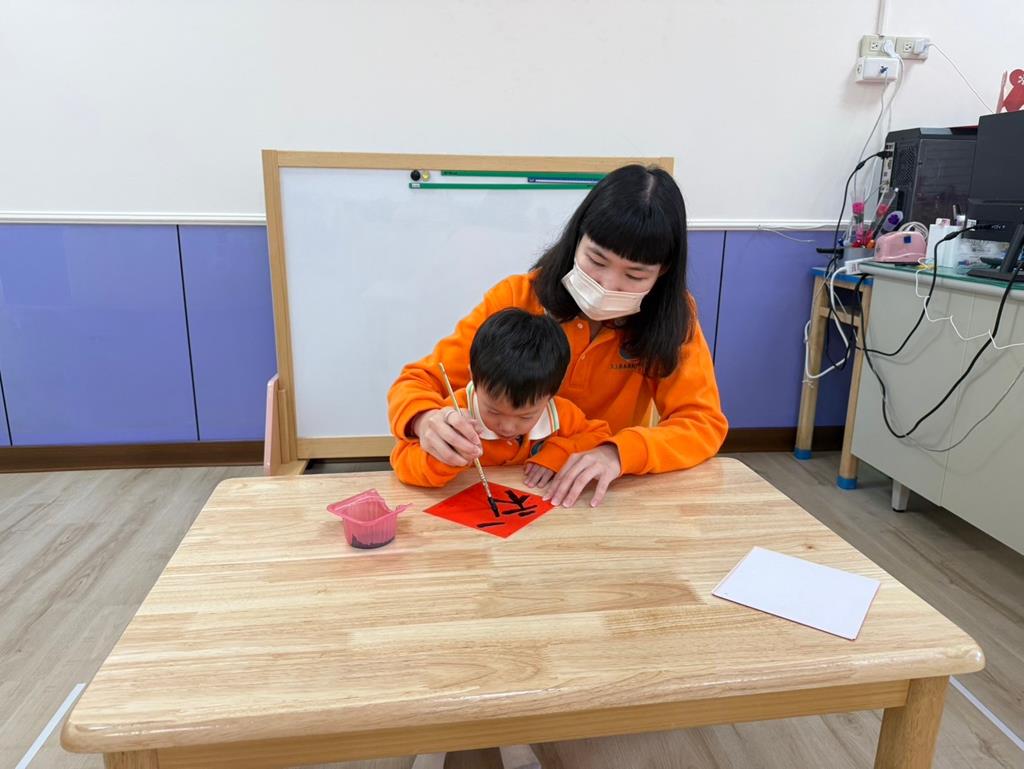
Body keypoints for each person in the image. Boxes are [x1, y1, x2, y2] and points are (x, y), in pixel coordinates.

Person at [388, 164, 727, 507]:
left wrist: (617, 453)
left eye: (635, 276)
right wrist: (424, 420)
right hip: (509, 487)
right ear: (577, 239)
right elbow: (419, 382)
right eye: (597, 260)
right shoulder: (517, 298)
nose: (608, 284)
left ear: (662, 273)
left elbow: (701, 424)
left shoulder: (672, 319)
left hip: (599, 494)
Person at [391, 308, 611, 488]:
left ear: (552, 393)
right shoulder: (456, 413)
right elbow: (401, 462)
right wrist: (446, 457)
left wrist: (559, 453)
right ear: (474, 378)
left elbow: (599, 437)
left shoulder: (561, 414)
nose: (507, 427)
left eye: (525, 416)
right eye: (493, 411)